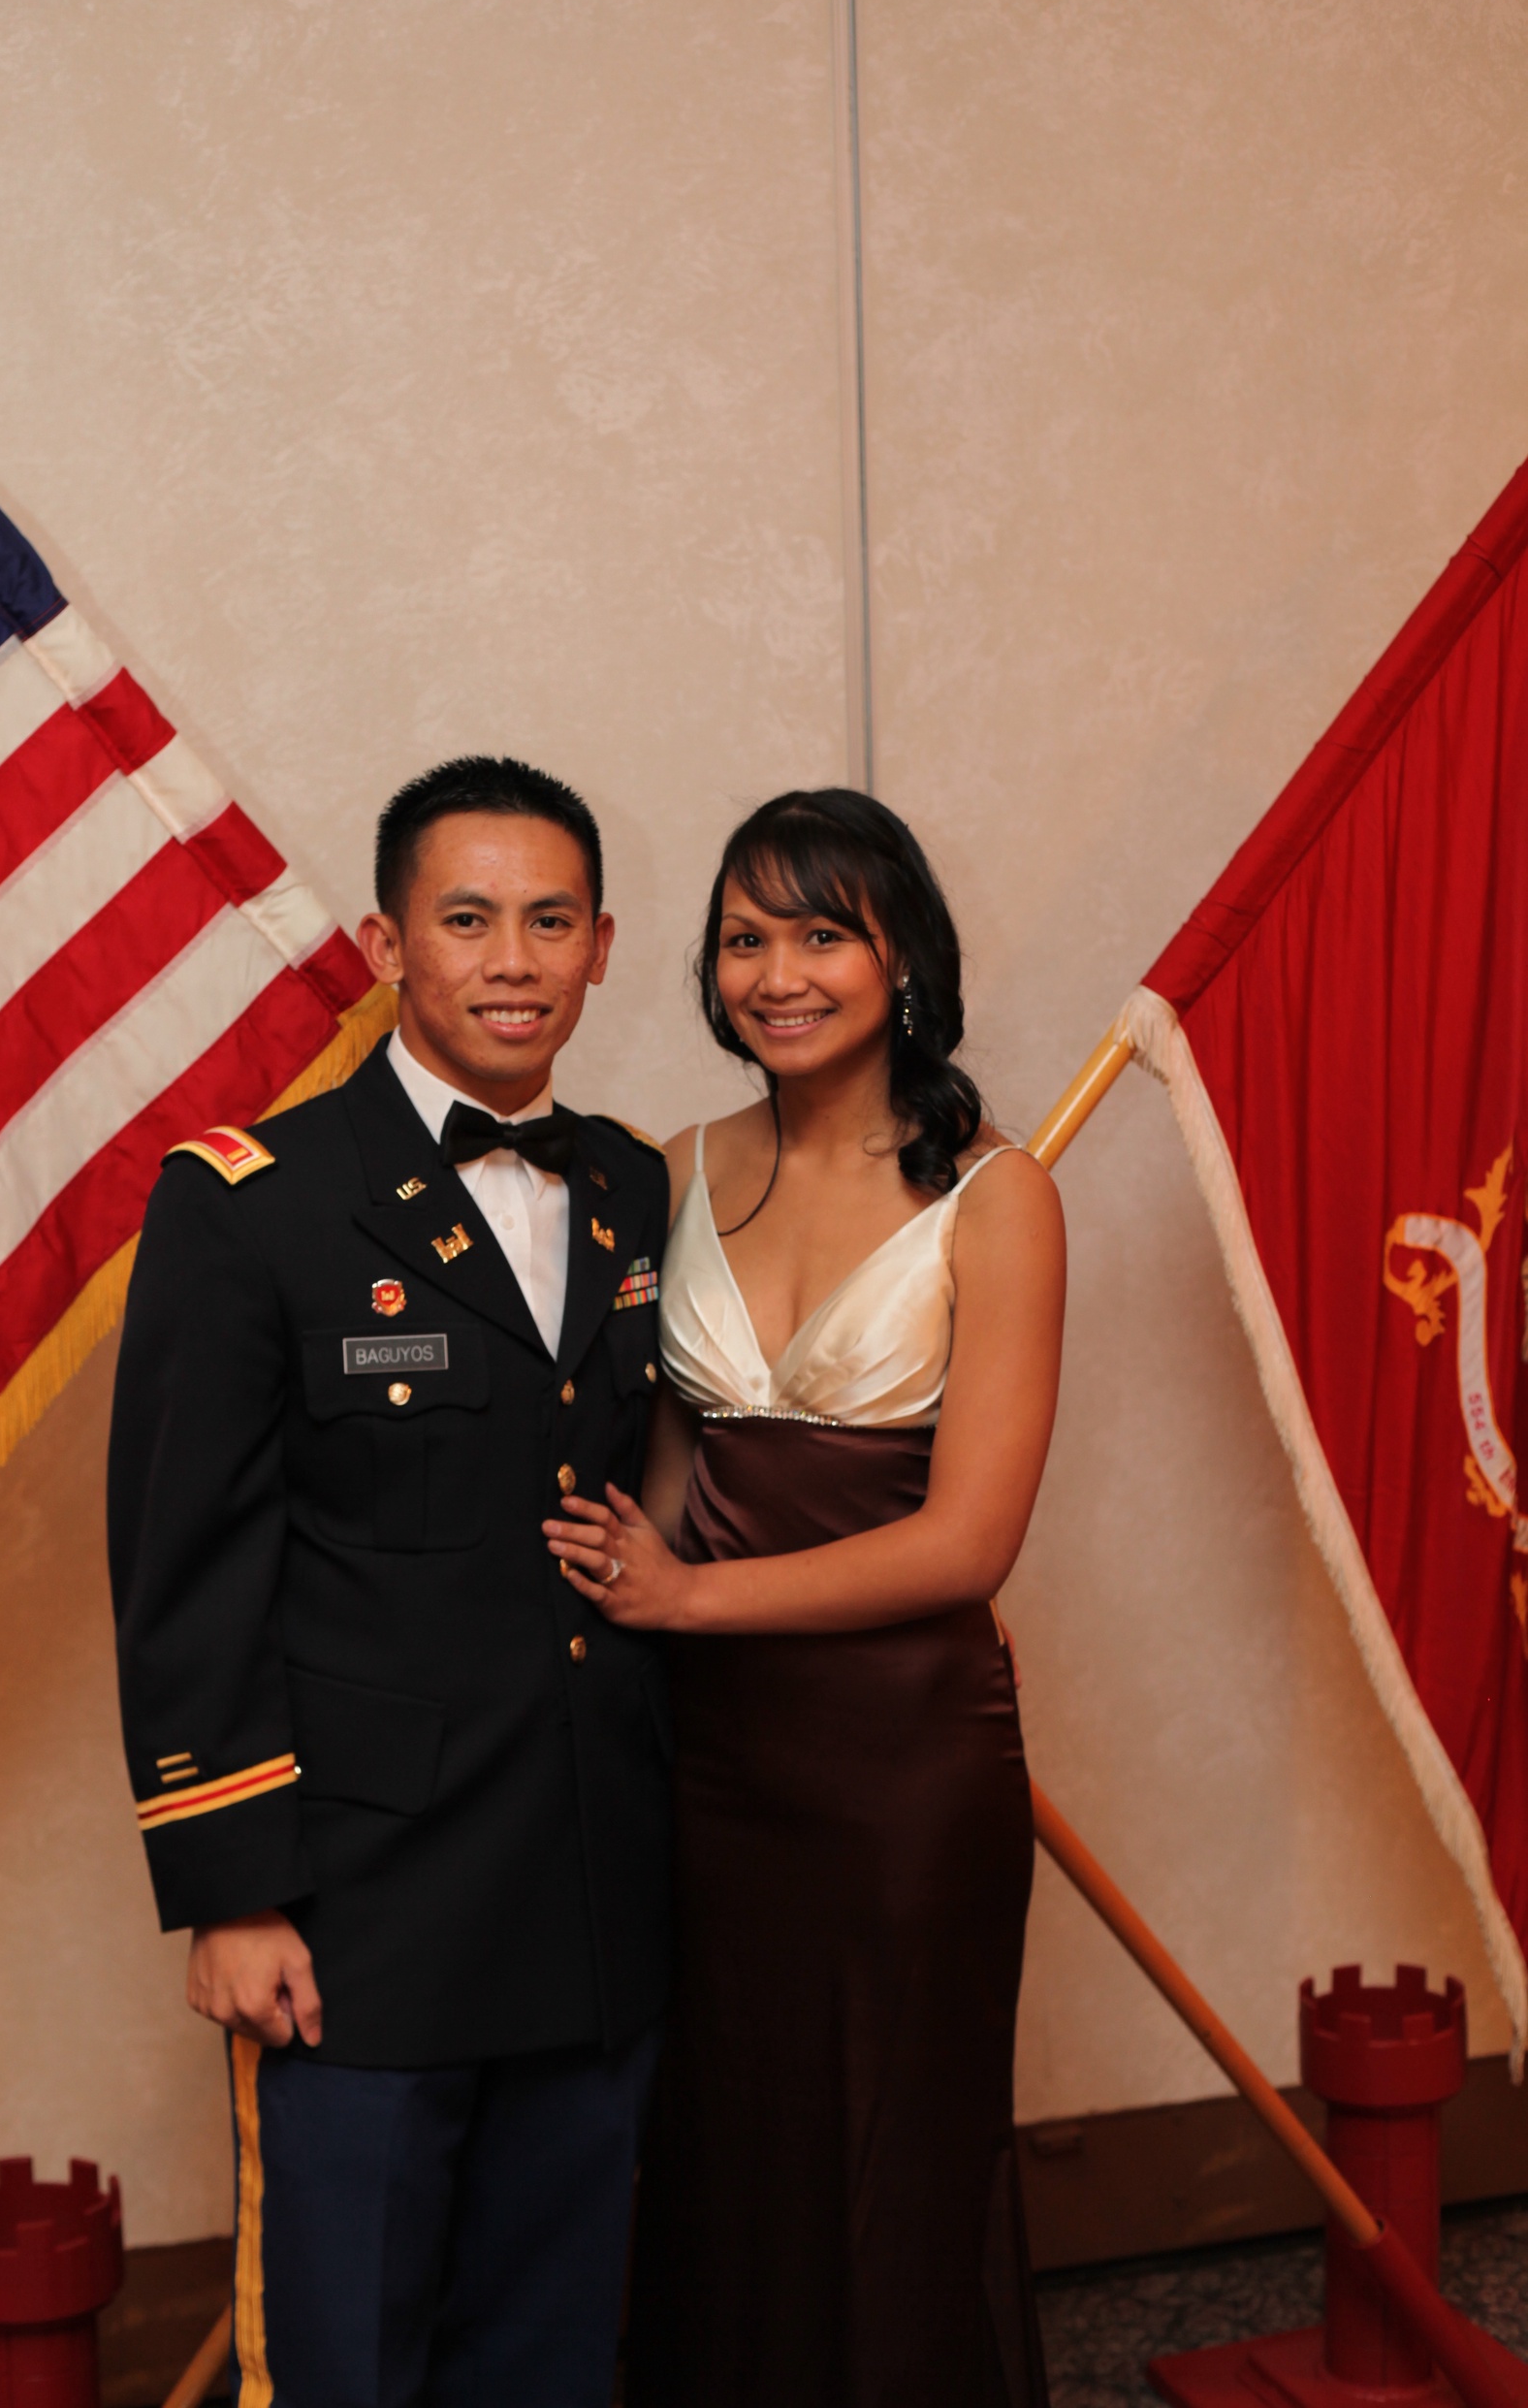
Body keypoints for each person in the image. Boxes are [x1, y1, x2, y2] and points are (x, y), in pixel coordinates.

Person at [110, 756, 672, 2408]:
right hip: (361, 1904)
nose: (513, 961)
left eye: (550, 922)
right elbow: (186, 1563)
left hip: (587, 1878)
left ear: (601, 946)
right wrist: (231, 1889)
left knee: (552, 2349)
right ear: (386, 945)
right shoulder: (252, 1205)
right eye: (468, 919)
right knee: (346, 2355)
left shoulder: (629, 1185)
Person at [545, 787, 1066, 2408]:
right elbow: (664, 1472)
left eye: (820, 934)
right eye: (743, 939)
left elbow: (967, 1545)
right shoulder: (672, 1169)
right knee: (719, 2152)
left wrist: (686, 1603)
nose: (776, 974)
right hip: (702, 1761)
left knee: (893, 2166)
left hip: (905, 1768)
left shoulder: (1000, 1195)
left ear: (900, 955)